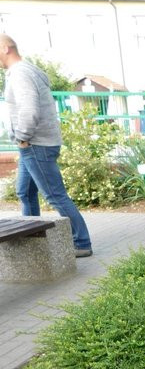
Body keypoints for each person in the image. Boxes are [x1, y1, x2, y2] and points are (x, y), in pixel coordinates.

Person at [0, 34, 93, 257]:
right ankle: (31, 238)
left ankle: (81, 243)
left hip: (34, 144)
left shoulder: (21, 73)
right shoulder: (24, 71)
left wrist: (23, 137)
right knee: (25, 191)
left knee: (55, 195)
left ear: (4, 48)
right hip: (32, 144)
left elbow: (29, 108)